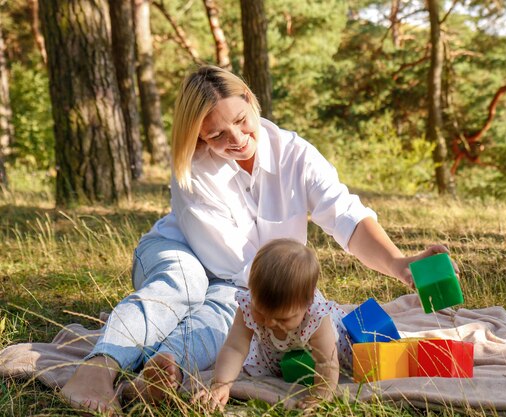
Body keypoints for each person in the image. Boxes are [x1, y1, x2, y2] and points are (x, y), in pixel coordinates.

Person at [59, 65, 454, 414]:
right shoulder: (193, 172)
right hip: (182, 253)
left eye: (241, 120)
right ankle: (96, 370)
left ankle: (165, 366)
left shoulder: (295, 154)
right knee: (189, 286)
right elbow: (233, 270)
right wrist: (284, 302)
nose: (236, 139)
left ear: (250, 99)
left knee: (225, 319)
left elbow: (345, 216)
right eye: (215, 135)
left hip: (245, 278)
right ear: (198, 138)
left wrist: (401, 264)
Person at [193, 238, 352, 411]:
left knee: (350, 355)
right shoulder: (248, 305)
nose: (268, 323)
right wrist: (221, 383)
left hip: (328, 346)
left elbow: (325, 360)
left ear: (307, 304)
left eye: (282, 319)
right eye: (260, 313)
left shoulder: (317, 316)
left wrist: (321, 395)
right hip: (275, 352)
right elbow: (235, 348)